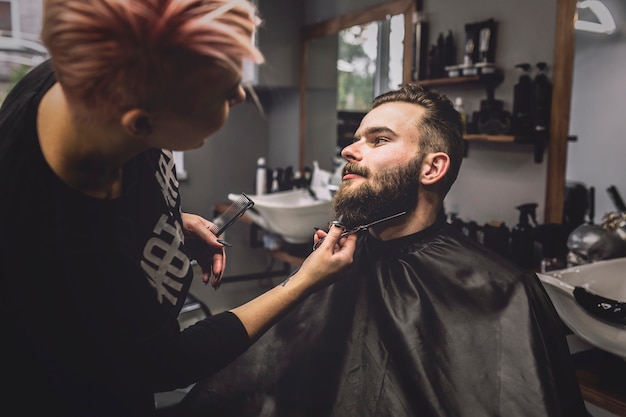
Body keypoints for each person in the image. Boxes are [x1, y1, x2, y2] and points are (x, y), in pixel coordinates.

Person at [0, 1, 356, 416]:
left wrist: (171, 222)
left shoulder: (92, 74)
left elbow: (125, 205)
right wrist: (301, 282)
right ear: (140, 124)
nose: (241, 96)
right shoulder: (55, 244)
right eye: (225, 94)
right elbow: (166, 363)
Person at [177, 84, 588, 417]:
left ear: (432, 168)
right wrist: (305, 281)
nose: (349, 151)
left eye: (379, 140)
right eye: (356, 140)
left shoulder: (507, 292)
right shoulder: (336, 267)